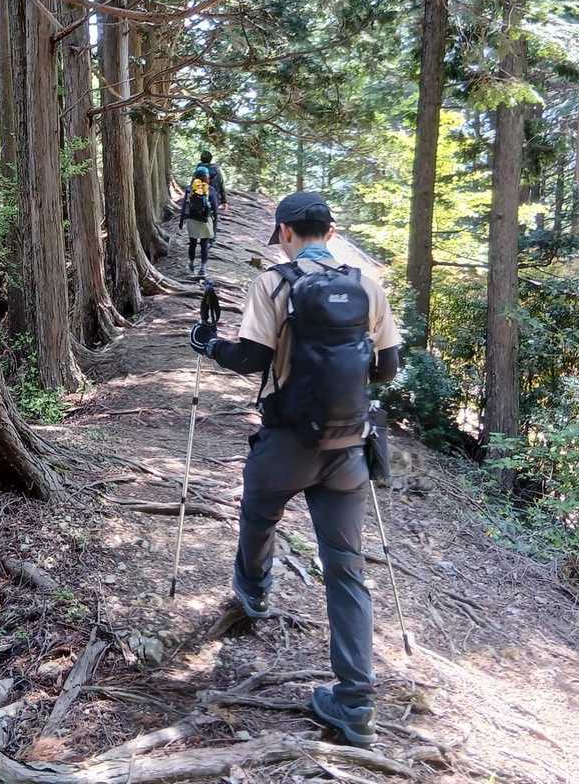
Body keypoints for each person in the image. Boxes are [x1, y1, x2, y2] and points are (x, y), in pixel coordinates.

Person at [187, 192, 401, 747]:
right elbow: (387, 369)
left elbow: (251, 359)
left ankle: (254, 591)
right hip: (348, 449)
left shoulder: (273, 283)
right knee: (346, 569)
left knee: (258, 515)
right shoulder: (367, 284)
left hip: (287, 445)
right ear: (330, 232)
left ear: (284, 231)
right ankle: (355, 702)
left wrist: (207, 344)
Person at [178, 167, 217, 277]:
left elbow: (184, 206)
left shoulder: (190, 189)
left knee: (192, 243)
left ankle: (191, 264)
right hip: (205, 220)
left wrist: (181, 220)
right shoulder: (211, 190)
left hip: (192, 219)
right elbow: (215, 209)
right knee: (204, 245)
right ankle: (202, 269)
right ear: (206, 177)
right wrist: (214, 226)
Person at [196, 150, 227, 234]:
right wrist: (224, 201)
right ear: (211, 159)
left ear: (201, 159)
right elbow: (221, 184)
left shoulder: (198, 169)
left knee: (200, 215)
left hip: (199, 197)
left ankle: (201, 235)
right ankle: (212, 237)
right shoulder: (216, 170)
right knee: (214, 217)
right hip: (214, 197)